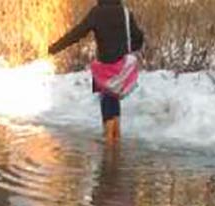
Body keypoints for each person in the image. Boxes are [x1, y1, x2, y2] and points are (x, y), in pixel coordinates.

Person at [48, 0, 145, 146]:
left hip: (104, 68)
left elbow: (77, 33)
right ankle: (115, 141)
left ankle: (109, 148)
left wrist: (55, 48)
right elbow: (138, 37)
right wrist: (127, 49)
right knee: (114, 101)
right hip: (122, 67)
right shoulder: (125, 12)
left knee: (107, 102)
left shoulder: (97, 12)